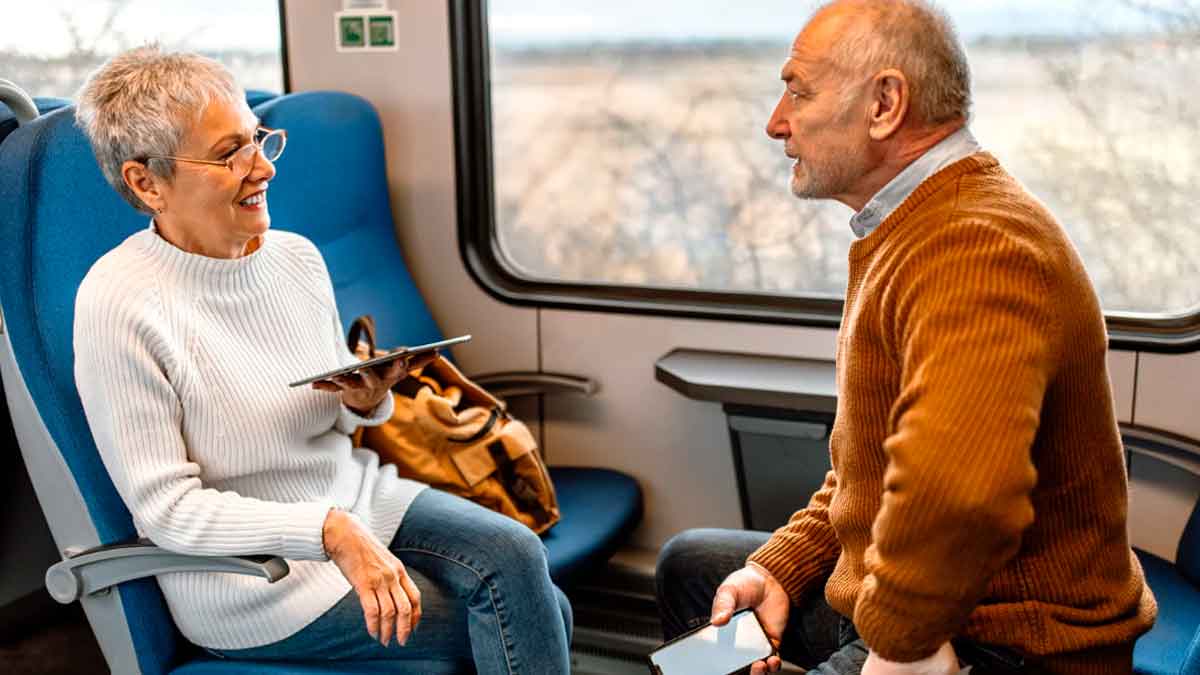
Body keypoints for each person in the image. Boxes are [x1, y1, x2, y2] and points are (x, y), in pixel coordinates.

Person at [655, 1, 1157, 673]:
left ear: (886, 102)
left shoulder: (975, 246)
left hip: (1000, 641)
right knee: (691, 567)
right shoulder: (908, 229)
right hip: (916, 606)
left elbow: (960, 499)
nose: (777, 123)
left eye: (798, 91)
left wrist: (893, 647)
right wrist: (781, 570)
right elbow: (879, 470)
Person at [73, 46, 570, 674]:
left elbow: (328, 422)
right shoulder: (117, 303)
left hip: (357, 497)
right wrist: (328, 530)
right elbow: (168, 512)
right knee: (525, 616)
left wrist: (365, 401)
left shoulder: (296, 258)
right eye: (229, 154)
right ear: (147, 183)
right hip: (254, 583)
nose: (263, 169)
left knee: (520, 561)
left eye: (257, 139)